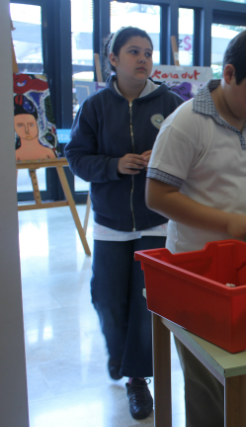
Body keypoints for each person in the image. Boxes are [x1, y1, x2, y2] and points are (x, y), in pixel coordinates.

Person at [145, 27, 246, 427]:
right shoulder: (186, 124)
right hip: (197, 272)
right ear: (228, 74)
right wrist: (227, 222)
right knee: (208, 381)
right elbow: (157, 197)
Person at [65, 26, 183, 421]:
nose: (143, 59)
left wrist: (162, 160)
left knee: (145, 303)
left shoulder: (171, 104)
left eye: (148, 53)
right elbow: (77, 158)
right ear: (112, 60)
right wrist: (114, 165)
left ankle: (137, 379)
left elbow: (191, 160)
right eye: (133, 52)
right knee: (108, 300)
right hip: (111, 223)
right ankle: (121, 359)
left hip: (157, 223)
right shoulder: (95, 107)